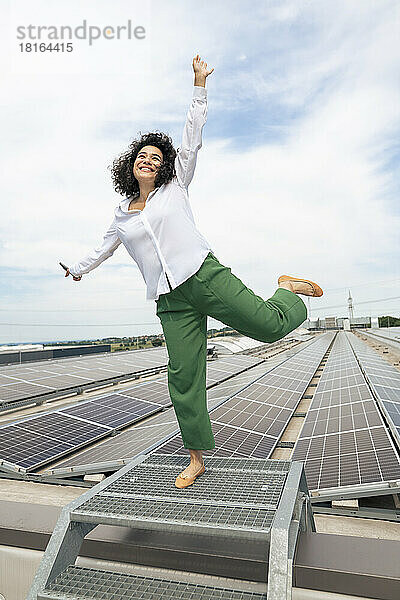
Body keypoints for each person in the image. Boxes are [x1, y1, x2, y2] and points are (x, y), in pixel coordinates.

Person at [65, 55, 323, 489]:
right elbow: (102, 248)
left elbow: (191, 139)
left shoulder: (175, 184)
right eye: (141, 157)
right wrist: (76, 269)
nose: (148, 160)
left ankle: (286, 290)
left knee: (268, 327)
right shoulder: (121, 214)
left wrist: (199, 87)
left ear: (163, 165)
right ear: (130, 166)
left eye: (154, 157)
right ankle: (196, 459)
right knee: (184, 380)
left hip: (202, 275)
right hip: (170, 300)